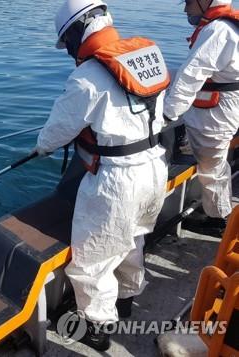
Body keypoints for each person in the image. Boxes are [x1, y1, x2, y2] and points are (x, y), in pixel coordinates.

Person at [32, 0, 172, 351]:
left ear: (78, 32)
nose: (69, 52)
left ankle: (96, 327)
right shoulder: (147, 55)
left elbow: (56, 133)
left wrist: (41, 148)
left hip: (117, 180)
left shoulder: (86, 77)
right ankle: (125, 299)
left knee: (91, 260)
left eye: (68, 44)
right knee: (132, 239)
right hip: (155, 165)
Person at [163, 0, 239, 229]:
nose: (185, 8)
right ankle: (219, 214)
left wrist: (167, 115)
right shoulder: (228, 27)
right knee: (216, 165)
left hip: (215, 116)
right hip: (224, 110)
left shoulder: (217, 31)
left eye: (188, 1)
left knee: (211, 168)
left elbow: (190, 77)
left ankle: (217, 220)